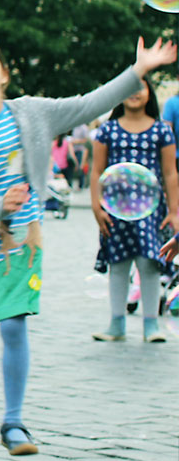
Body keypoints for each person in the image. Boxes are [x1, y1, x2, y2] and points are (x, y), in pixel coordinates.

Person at [0, 33, 174, 459]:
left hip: (21, 246)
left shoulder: (33, 114)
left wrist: (139, 71)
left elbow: (89, 103)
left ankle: (14, 421)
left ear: (4, 72)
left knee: (14, 325)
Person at [90, 78, 176, 344]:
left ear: (149, 93)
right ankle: (116, 323)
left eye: (141, 87)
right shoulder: (107, 130)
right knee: (118, 264)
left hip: (151, 211)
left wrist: (174, 211)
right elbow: (97, 171)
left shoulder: (162, 131)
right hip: (116, 210)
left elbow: (171, 173)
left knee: (149, 264)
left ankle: (151, 324)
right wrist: (96, 205)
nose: (135, 93)